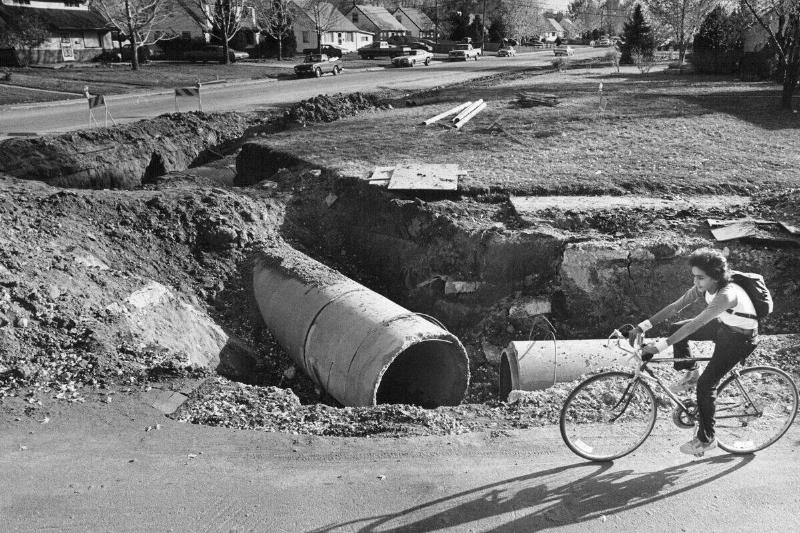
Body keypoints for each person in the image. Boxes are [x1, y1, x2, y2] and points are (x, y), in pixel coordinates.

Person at [628, 248, 759, 455]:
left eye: (700, 278)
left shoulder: (726, 294)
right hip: (723, 326)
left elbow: (695, 324)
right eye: (694, 277)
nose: (696, 282)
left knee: (707, 385)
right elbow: (675, 307)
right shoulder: (706, 286)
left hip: (739, 339)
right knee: (674, 327)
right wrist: (642, 326)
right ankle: (691, 372)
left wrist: (659, 347)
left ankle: (707, 439)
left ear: (715, 276)